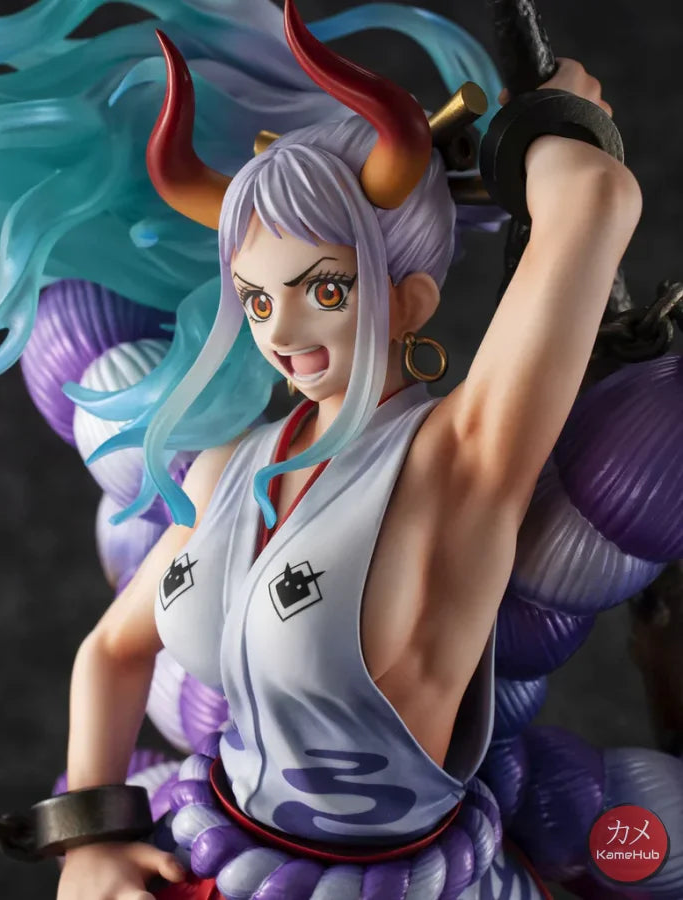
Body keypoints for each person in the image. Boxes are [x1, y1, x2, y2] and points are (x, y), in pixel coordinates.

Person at [54, 3, 641, 897]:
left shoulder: (457, 460)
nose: (280, 332)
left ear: (408, 300)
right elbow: (111, 651)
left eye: (322, 289)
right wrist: (88, 840)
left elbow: (593, 200)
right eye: (256, 300)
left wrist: (550, 118)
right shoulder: (227, 469)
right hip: (210, 861)